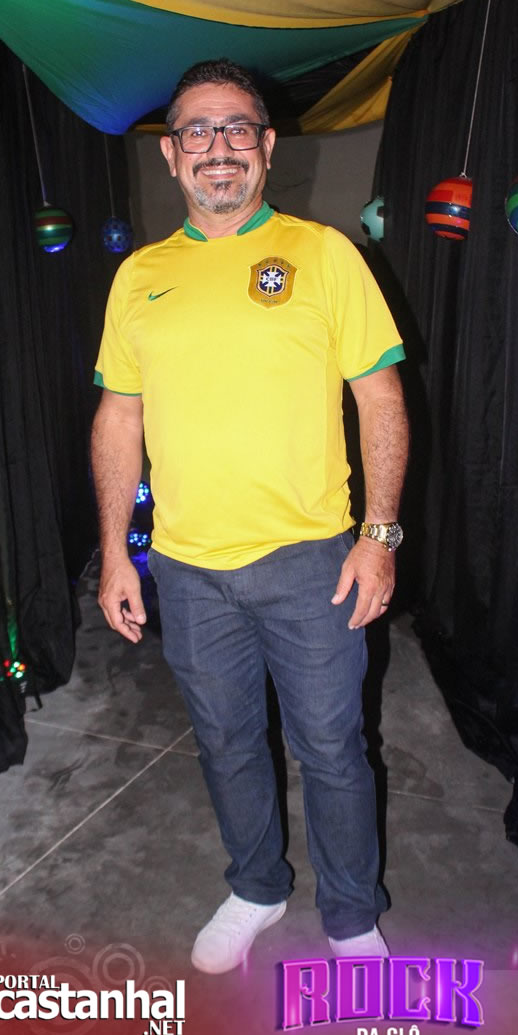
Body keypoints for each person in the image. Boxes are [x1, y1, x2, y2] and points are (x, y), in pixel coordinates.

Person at [91, 59, 409, 975]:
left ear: (266, 147)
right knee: (227, 744)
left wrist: (378, 537)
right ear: (171, 155)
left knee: (332, 750)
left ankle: (350, 916)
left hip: (311, 563)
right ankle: (257, 887)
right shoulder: (139, 276)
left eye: (236, 128)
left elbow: (380, 400)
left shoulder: (325, 254)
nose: (217, 147)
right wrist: (115, 552)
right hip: (188, 570)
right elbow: (118, 416)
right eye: (196, 131)